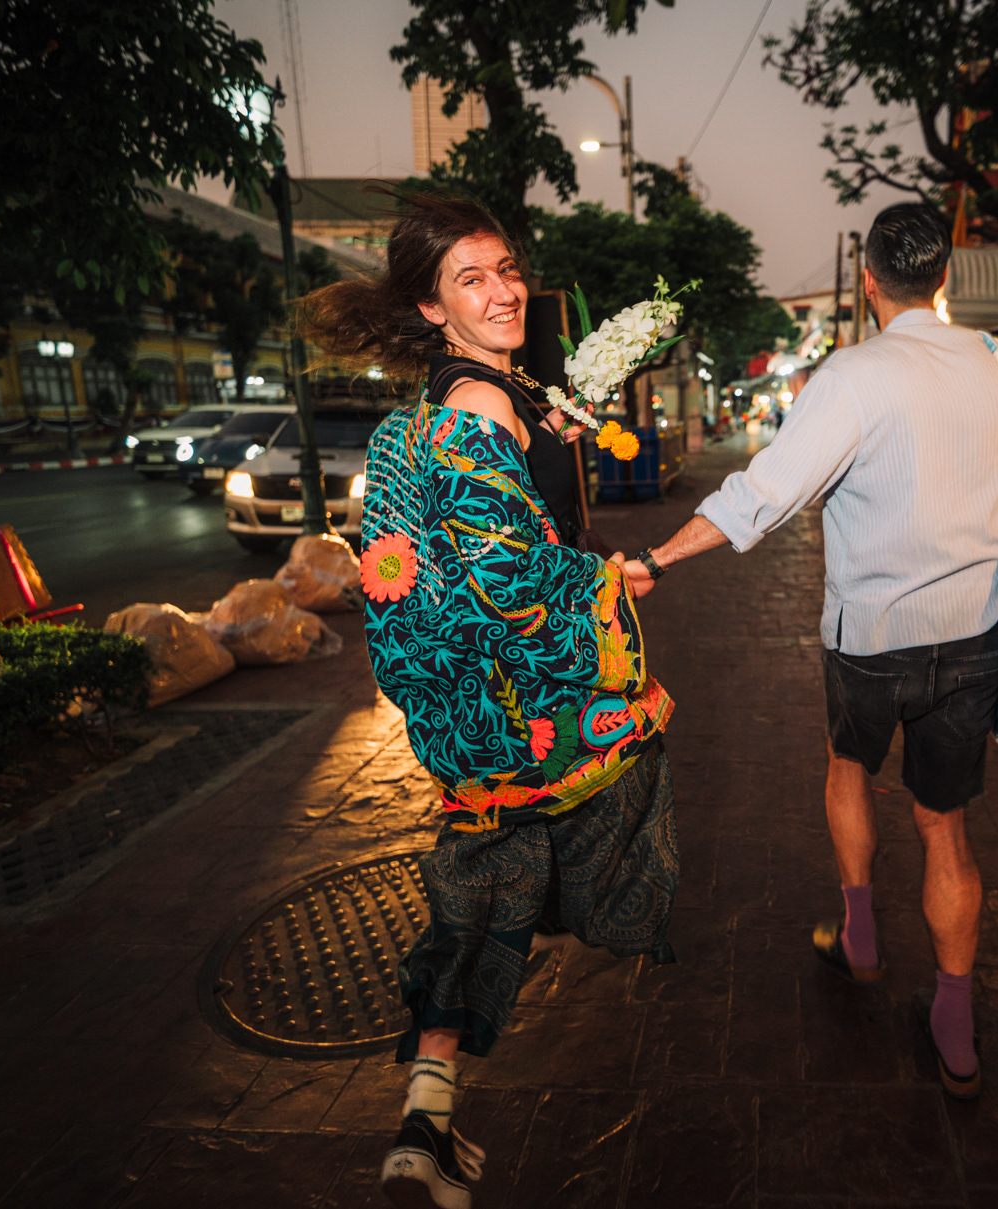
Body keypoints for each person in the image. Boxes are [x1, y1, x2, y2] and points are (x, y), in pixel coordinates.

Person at [619, 202, 998, 1100]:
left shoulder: (853, 376)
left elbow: (765, 493)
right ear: (942, 279)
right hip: (972, 635)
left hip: (870, 640)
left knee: (847, 769)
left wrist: (658, 558)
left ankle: (861, 932)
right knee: (945, 825)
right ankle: (955, 1025)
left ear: (870, 281)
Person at [300, 193, 677, 1209]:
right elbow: (508, 577)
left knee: (479, 893)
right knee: (521, 885)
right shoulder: (477, 405)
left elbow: (497, 511)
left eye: (506, 269)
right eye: (471, 280)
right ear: (433, 308)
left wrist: (551, 431)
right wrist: (615, 587)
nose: (503, 291)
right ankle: (424, 1123)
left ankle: (426, 1119)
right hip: (528, 709)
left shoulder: (466, 395)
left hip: (482, 713)